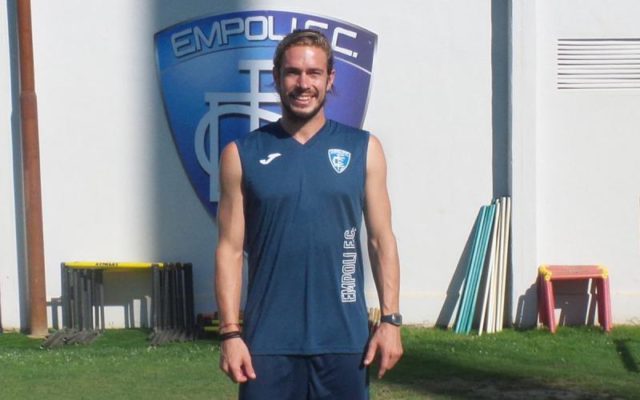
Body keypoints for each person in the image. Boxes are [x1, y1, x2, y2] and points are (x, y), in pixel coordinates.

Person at [215, 29, 402, 400]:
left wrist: (391, 320)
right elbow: (229, 250)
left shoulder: (363, 149)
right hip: (267, 345)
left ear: (329, 79)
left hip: (345, 342)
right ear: (276, 78)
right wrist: (230, 333)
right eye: (293, 72)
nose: (303, 84)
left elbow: (381, 240)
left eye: (314, 73)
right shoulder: (242, 154)